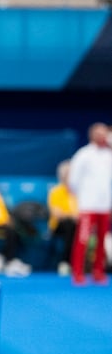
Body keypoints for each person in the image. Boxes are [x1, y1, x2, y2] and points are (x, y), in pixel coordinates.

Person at [68, 122, 112, 285]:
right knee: (83, 239)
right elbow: (73, 181)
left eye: (104, 133)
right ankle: (78, 272)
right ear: (92, 135)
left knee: (102, 240)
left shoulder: (109, 155)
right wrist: (84, 197)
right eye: (99, 133)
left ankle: (98, 272)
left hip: (104, 205)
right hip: (88, 205)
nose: (102, 136)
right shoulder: (84, 154)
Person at [46, 160, 77, 276]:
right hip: (58, 226)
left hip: (77, 225)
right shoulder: (55, 191)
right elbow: (57, 213)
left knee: (77, 227)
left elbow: (82, 212)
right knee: (69, 225)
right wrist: (71, 215)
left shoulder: (77, 192)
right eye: (68, 173)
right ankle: (65, 262)